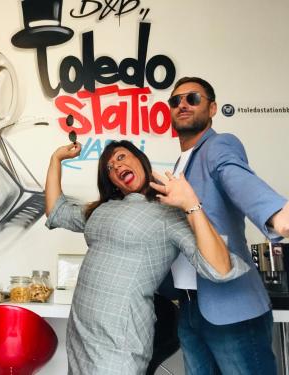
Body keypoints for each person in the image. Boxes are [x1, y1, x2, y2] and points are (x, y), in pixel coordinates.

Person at [44, 139, 250, 374]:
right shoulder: (101, 209)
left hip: (119, 338)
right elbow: (56, 212)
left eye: (121, 157)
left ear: (139, 159)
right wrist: (56, 159)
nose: (116, 167)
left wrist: (191, 204)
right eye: (110, 168)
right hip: (81, 330)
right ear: (112, 181)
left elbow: (220, 268)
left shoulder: (167, 212)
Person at [165, 76, 289, 375]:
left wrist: (276, 215)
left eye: (193, 98)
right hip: (190, 306)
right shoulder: (179, 165)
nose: (182, 105)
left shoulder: (219, 146)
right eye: (175, 101)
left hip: (231, 308)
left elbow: (236, 178)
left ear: (213, 107)